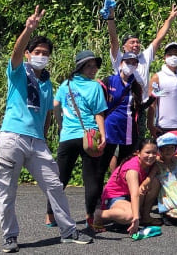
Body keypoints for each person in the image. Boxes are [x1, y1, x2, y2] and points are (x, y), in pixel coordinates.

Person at [0, 6, 92, 252]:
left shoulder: (47, 82)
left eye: (46, 53)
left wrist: (45, 137)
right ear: (28, 54)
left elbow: (48, 114)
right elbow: (16, 52)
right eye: (37, 52)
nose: (41, 56)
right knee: (8, 191)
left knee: (54, 185)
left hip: (37, 141)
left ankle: (68, 231)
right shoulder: (18, 72)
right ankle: (10, 236)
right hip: (13, 137)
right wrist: (29, 29)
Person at [46, 50, 107, 230]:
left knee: (60, 177)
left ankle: (50, 215)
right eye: (89, 66)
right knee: (91, 178)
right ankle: (90, 217)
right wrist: (103, 135)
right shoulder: (95, 86)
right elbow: (99, 113)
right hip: (89, 136)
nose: (93, 69)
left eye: (95, 66)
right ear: (80, 67)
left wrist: (61, 125)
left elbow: (55, 105)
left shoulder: (66, 84)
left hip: (68, 136)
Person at [106, 2, 177, 137]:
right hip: (121, 107)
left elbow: (159, 39)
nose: (136, 44)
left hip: (139, 108)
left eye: (137, 42)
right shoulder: (119, 59)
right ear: (124, 47)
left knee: (138, 141)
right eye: (132, 42)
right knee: (117, 141)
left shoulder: (144, 57)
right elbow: (113, 40)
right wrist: (110, 18)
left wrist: (170, 18)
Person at [98, 52, 153, 187]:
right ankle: (98, 194)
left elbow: (139, 108)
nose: (131, 65)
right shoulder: (109, 81)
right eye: (128, 62)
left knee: (124, 164)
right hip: (109, 128)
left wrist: (153, 97)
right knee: (102, 164)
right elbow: (98, 105)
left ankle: (118, 190)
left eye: (134, 63)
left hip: (128, 130)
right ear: (121, 63)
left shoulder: (136, 85)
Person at [93, 138, 162, 235]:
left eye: (154, 153)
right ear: (138, 153)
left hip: (129, 195)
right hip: (116, 197)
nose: (151, 156)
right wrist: (136, 217)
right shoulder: (132, 169)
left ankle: (145, 217)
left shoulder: (152, 162)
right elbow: (135, 195)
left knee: (155, 182)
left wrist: (148, 179)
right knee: (130, 216)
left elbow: (171, 159)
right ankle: (99, 214)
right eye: (147, 152)